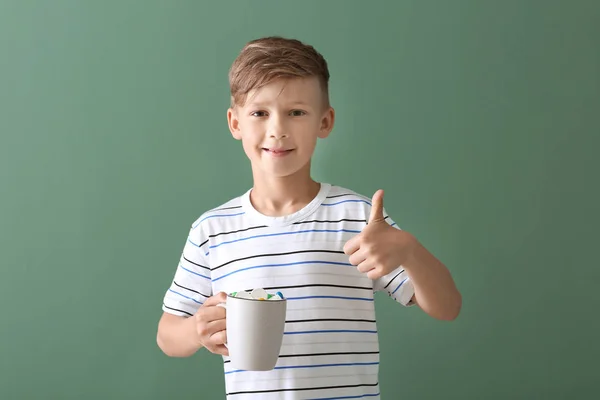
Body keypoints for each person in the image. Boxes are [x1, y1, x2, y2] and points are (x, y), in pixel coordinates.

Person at [156, 36, 462, 399]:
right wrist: (196, 331)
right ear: (235, 122)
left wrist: (409, 250)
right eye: (259, 113)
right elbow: (167, 334)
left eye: (296, 112)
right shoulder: (213, 230)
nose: (277, 129)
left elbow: (447, 307)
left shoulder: (358, 218)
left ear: (325, 121)